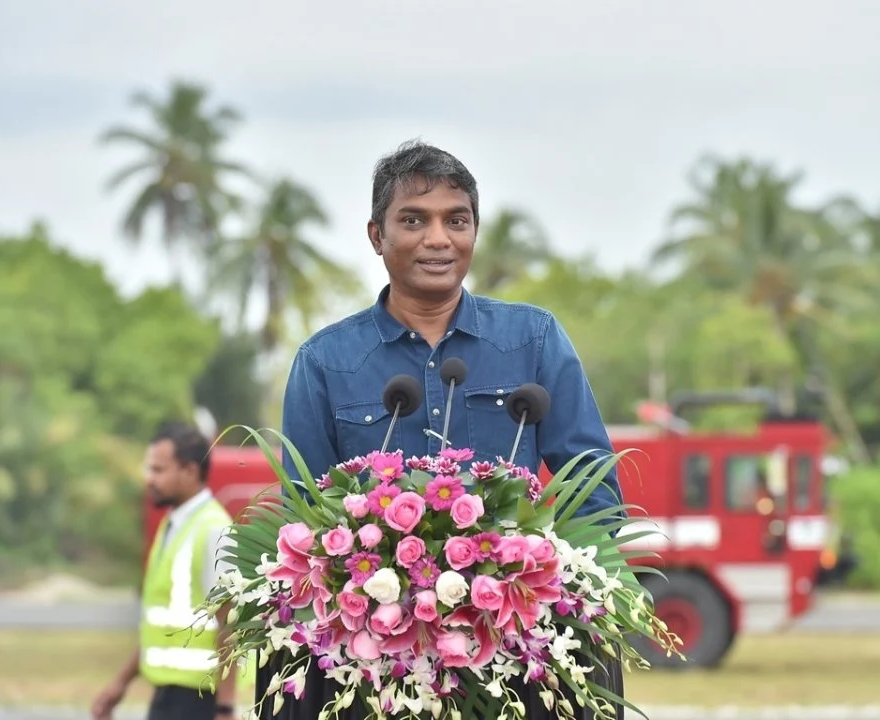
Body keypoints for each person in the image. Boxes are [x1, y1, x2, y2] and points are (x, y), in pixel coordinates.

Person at [256, 140, 625, 719]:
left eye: (457, 220)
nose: (438, 239)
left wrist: (555, 598)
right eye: (414, 220)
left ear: (474, 232)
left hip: (513, 663)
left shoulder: (533, 340)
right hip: (375, 667)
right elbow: (304, 519)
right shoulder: (324, 362)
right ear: (377, 236)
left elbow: (593, 493)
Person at [92, 421, 239, 720]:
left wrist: (224, 708)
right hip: (169, 694)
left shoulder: (213, 529)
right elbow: (163, 625)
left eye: (158, 470)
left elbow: (229, 624)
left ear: (189, 471)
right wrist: (120, 683)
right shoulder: (173, 524)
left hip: (199, 699)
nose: (149, 479)